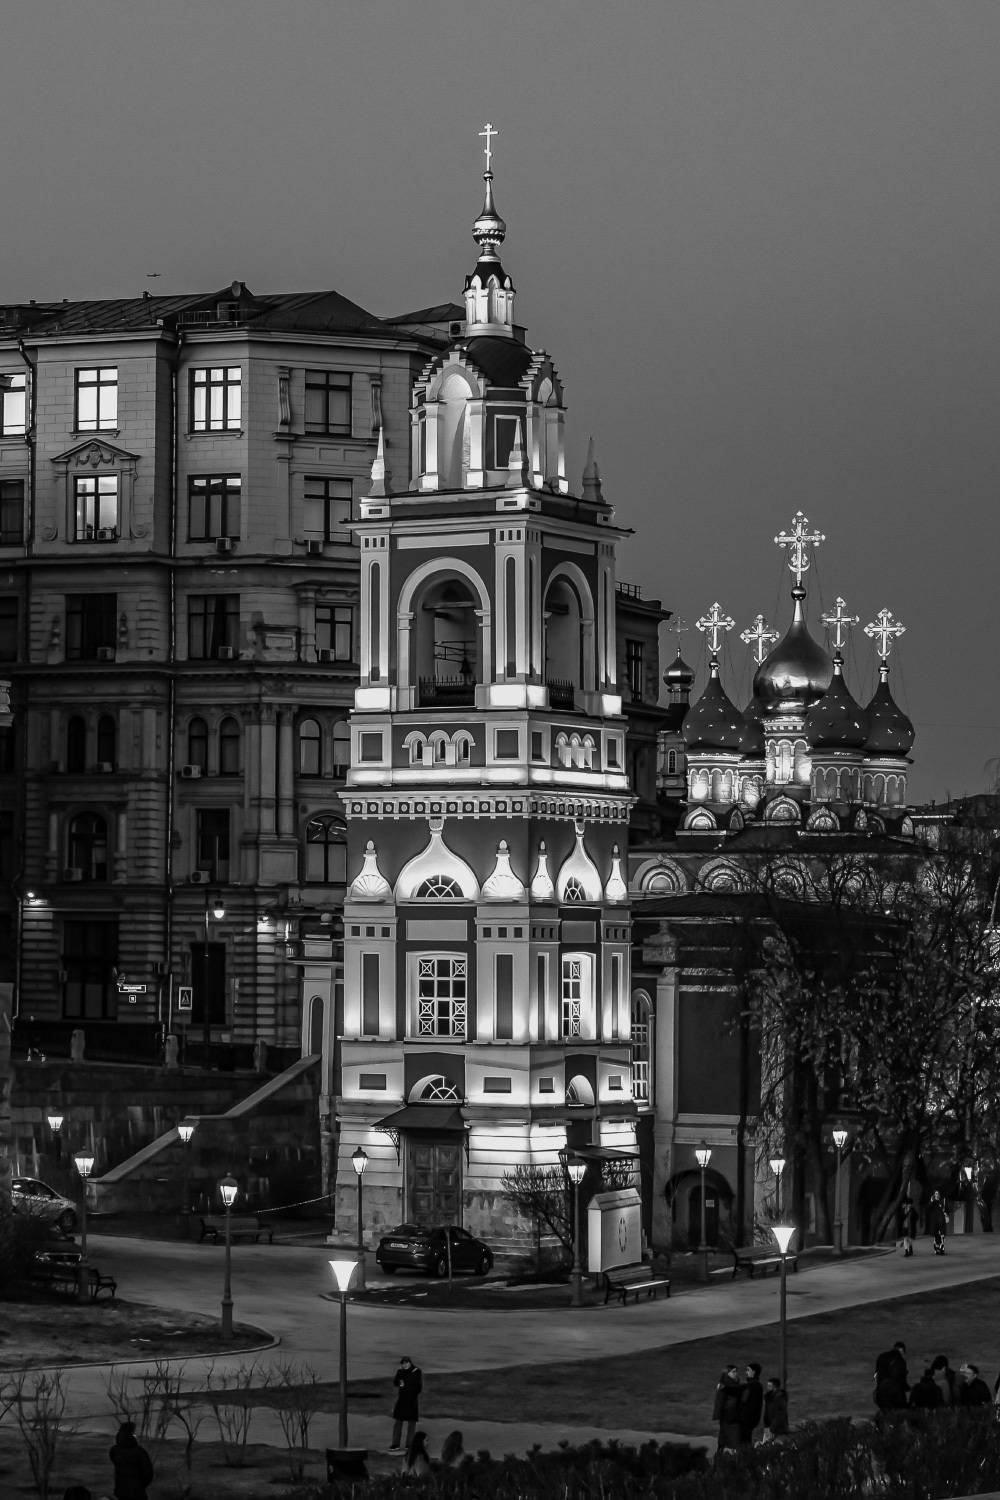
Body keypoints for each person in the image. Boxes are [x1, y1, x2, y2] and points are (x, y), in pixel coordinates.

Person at [108, 1421, 154, 1500]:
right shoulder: (139, 1452)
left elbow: (114, 1461)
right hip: (137, 1493)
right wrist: (140, 1485)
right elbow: (148, 1473)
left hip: (120, 1491)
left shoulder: (114, 1450)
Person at [390, 1355, 422, 1452]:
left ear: (409, 1363)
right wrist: (400, 1383)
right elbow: (395, 1382)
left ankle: (409, 1445)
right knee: (398, 1422)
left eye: (406, 1363)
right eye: (403, 1363)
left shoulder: (416, 1371)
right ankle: (395, 1444)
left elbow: (418, 1387)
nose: (404, 1365)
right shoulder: (400, 1371)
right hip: (402, 1400)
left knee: (411, 1423)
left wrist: (405, 1385)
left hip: (412, 1400)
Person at [712, 1363, 743, 1453]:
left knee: (727, 1438)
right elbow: (719, 1401)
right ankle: (724, 1456)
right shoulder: (724, 1385)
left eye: (736, 1371)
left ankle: (722, 1455)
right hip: (728, 1417)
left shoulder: (736, 1383)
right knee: (731, 1439)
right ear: (727, 1373)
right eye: (733, 1372)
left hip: (734, 1416)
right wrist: (719, 1415)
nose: (736, 1373)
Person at [874, 1340, 909, 1412]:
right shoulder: (900, 1360)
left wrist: (878, 1387)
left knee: (885, 1410)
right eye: (903, 1352)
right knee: (901, 1409)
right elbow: (901, 1378)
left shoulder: (881, 1356)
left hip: (881, 1389)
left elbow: (876, 1375)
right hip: (894, 1389)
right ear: (901, 1350)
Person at [738, 1362, 764, 1446]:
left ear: (754, 1372)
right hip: (753, 1419)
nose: (746, 1372)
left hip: (745, 1419)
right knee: (747, 1440)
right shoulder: (759, 1385)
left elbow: (743, 1400)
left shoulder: (750, 1386)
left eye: (748, 1370)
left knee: (743, 1441)